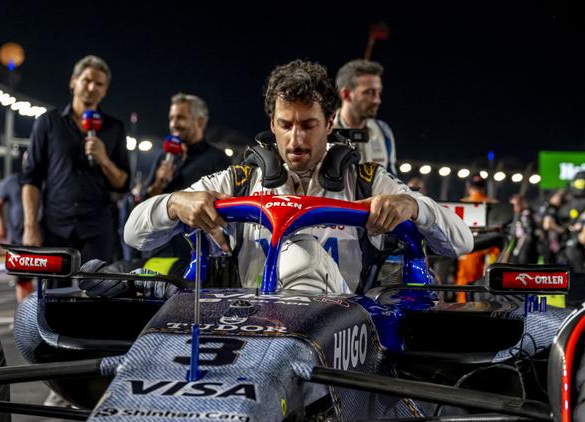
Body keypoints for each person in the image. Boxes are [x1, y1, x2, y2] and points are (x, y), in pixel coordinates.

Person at [124, 60, 473, 294]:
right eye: (285, 125)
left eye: (308, 125)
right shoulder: (242, 181)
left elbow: (461, 243)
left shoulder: (365, 181)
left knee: (301, 253)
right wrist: (173, 203)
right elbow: (134, 235)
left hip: (342, 346)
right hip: (252, 333)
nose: (296, 139)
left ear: (330, 123)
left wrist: (412, 205)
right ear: (272, 125)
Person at [21, 55, 130, 263]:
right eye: (87, 80)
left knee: (98, 292)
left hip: (98, 227)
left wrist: (104, 160)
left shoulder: (114, 128)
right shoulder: (48, 123)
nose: (92, 88)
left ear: (105, 90)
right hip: (55, 226)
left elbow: (122, 184)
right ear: (73, 81)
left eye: (99, 84)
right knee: (52, 294)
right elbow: (31, 179)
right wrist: (30, 226)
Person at [141, 93, 230, 260]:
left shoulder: (217, 159)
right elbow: (146, 203)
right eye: (171, 118)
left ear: (200, 121)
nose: (174, 124)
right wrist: (159, 183)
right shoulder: (163, 157)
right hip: (160, 249)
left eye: (180, 118)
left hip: (197, 252)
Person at [333, 59, 397, 175]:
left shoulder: (384, 131)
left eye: (378, 92)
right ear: (346, 95)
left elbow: (391, 177)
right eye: (369, 92)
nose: (377, 100)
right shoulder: (323, 130)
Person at [0, 153, 33, 301]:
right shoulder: (12, 181)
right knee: (23, 281)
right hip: (18, 239)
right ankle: (25, 316)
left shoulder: (47, 179)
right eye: (27, 158)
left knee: (47, 280)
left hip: (44, 238)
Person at [455, 175, 498, 300]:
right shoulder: (494, 203)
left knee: (466, 283)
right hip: (492, 249)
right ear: (484, 187)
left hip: (470, 249)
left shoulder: (463, 204)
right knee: (490, 283)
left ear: (468, 187)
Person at [509, 193, 538, 264]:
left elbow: (528, 233)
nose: (514, 207)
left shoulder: (526, 215)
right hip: (519, 248)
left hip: (526, 250)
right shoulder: (517, 216)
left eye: (516, 204)